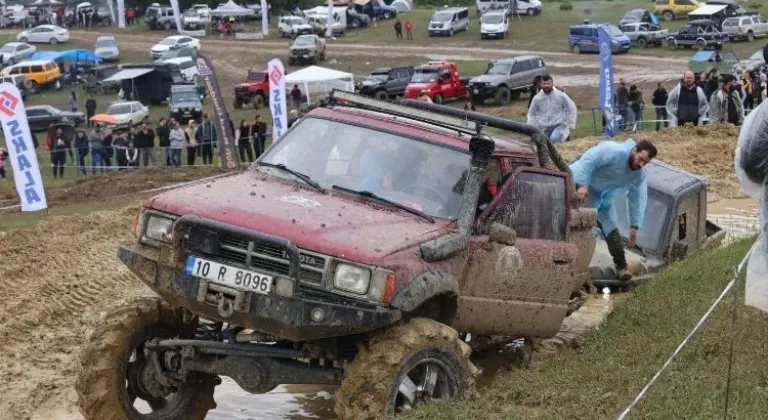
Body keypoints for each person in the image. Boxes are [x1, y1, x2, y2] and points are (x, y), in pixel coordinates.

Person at [570, 139, 658, 282]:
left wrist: (634, 226)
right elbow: (589, 159)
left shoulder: (638, 175)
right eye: (640, 159)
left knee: (611, 226)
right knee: (572, 221)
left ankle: (621, 267)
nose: (640, 164)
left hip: (602, 196)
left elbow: (637, 198)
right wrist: (583, 184)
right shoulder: (614, 151)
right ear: (634, 150)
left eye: (645, 163)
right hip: (577, 183)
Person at [526, 75, 577, 143]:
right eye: (544, 84)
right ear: (541, 85)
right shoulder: (537, 98)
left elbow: (571, 108)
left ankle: (562, 137)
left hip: (558, 126)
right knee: (542, 143)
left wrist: (567, 124)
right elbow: (531, 114)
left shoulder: (560, 95)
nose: (546, 85)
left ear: (552, 83)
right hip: (543, 127)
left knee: (553, 139)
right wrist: (532, 127)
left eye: (548, 83)